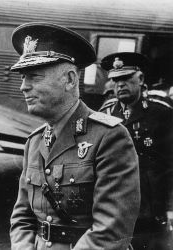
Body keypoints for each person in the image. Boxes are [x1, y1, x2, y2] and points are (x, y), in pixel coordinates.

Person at [9, 22, 140, 250]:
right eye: (22, 78)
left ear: (69, 79)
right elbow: (22, 218)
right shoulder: (35, 141)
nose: (23, 87)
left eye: (34, 77)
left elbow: (111, 231)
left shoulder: (109, 137)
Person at [99, 52, 173, 250]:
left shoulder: (162, 112)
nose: (120, 85)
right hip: (114, 204)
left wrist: (169, 207)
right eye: (115, 80)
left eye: (125, 78)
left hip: (150, 205)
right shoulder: (104, 114)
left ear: (140, 79)